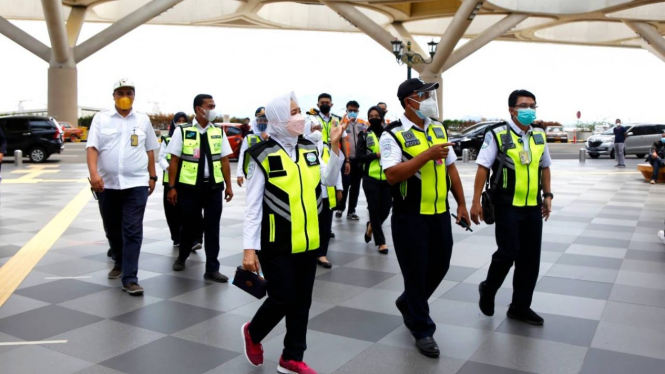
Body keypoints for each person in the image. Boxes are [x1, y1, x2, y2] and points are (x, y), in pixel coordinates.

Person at [240, 92, 344, 374]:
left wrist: (334, 147)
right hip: (275, 243)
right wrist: (249, 249)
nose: (301, 117)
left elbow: (330, 179)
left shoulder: (309, 149)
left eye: (300, 111)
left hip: (308, 241)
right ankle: (253, 332)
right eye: (295, 112)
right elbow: (252, 208)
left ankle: (291, 357)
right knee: (283, 297)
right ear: (278, 120)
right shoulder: (261, 155)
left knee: (302, 302)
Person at [379, 78, 470, 358]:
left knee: (440, 266)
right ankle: (423, 330)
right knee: (416, 273)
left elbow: (451, 169)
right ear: (410, 101)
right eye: (425, 94)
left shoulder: (438, 128)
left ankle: (408, 302)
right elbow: (392, 175)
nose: (431, 99)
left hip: (439, 213)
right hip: (410, 216)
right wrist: (426, 155)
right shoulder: (392, 135)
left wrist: (462, 204)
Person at [470, 89, 553, 326]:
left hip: (532, 205)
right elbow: (483, 167)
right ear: (512, 109)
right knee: (507, 253)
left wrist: (547, 195)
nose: (529, 110)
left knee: (530, 259)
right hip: (507, 205)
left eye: (533, 105)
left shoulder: (538, 135)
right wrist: (475, 201)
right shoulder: (497, 134)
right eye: (524, 105)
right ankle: (488, 289)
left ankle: (520, 307)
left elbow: (545, 166)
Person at [87, 79, 160, 295]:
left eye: (129, 92)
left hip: (136, 183)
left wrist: (153, 176)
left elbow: (149, 149)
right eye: (120, 93)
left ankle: (130, 278)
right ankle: (118, 259)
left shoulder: (143, 120)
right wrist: (94, 174)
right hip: (106, 185)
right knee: (112, 227)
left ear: (134, 96)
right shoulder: (101, 118)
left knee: (133, 229)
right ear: (113, 96)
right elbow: (92, 148)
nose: (125, 96)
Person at [166, 94, 234, 282]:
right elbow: (174, 160)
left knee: (213, 228)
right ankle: (182, 257)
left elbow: (225, 159)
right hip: (189, 188)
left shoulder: (218, 132)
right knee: (189, 224)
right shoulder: (183, 131)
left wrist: (228, 186)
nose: (213, 109)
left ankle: (212, 267)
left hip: (213, 188)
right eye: (210, 106)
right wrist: (172, 187)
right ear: (199, 109)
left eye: (214, 105)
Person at [306, 93, 350, 238]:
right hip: (315, 152)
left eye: (327, 102)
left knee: (331, 189)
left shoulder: (337, 120)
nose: (325, 104)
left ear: (331, 104)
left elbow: (343, 140)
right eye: (322, 102)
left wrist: (347, 159)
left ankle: (326, 228)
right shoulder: (313, 119)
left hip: (332, 152)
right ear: (318, 104)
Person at [158, 112, 202, 250]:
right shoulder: (166, 139)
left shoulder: (192, 136)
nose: (181, 123)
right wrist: (170, 168)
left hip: (186, 179)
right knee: (172, 211)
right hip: (170, 180)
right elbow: (161, 158)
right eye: (179, 121)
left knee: (188, 210)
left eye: (184, 120)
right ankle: (176, 237)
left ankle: (193, 239)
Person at [357, 106, 391, 254]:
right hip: (370, 178)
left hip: (388, 177)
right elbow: (359, 157)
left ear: (382, 116)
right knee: (374, 209)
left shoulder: (389, 134)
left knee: (386, 208)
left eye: (377, 115)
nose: (374, 118)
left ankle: (371, 226)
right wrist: (375, 155)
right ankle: (381, 242)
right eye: (371, 116)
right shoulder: (364, 134)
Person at [336, 100, 365, 220]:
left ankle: (351, 211)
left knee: (356, 186)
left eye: (355, 111)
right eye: (350, 110)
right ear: (346, 110)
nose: (353, 112)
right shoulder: (341, 123)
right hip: (345, 160)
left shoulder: (363, 124)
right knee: (344, 185)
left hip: (358, 160)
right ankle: (340, 208)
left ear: (358, 111)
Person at [237, 107, 269, 187]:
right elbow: (242, 155)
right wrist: (239, 173)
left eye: (265, 121)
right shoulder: (249, 137)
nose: (262, 123)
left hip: (269, 172)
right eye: (260, 120)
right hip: (253, 172)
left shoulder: (273, 136)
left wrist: (267, 140)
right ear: (256, 121)